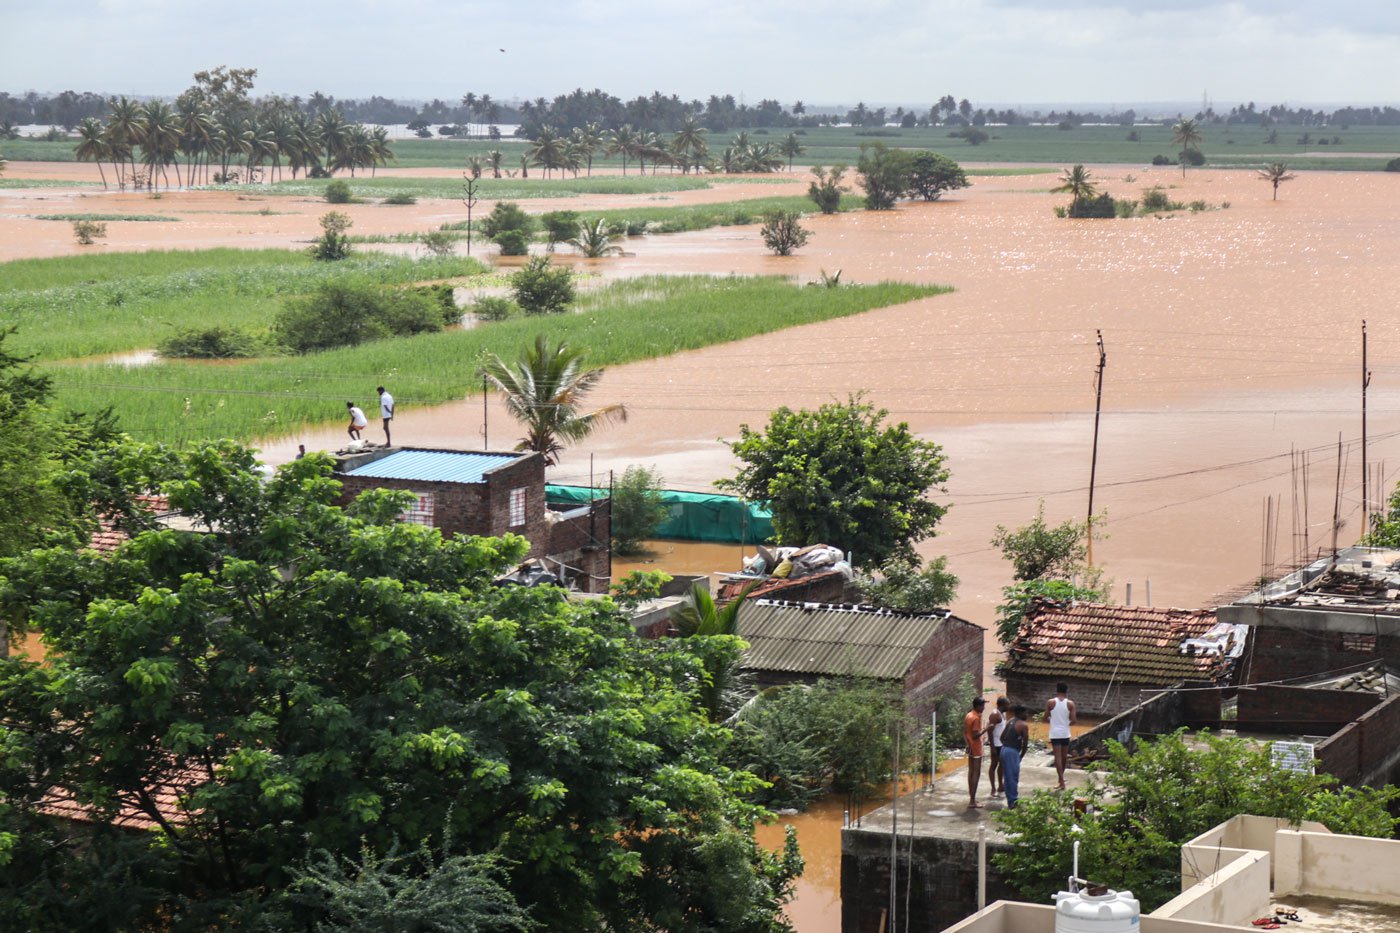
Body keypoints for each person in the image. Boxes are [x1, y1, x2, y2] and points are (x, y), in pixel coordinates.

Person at [1046, 682, 1077, 789]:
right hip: (1065, 733)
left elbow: (1045, 717)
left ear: (1057, 690)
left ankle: (1061, 781)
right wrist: (1066, 723)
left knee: (1057, 758)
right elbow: (1074, 720)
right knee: (1063, 758)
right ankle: (1061, 779)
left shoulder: (1050, 702)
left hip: (1055, 734)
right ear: (1066, 691)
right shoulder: (1070, 704)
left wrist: (1051, 719)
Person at [1001, 705, 1030, 809]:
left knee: (1007, 777)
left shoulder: (1010, 721)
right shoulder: (1023, 725)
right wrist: (1021, 755)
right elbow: (1025, 743)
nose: (1027, 715)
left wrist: (1006, 746)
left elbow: (1001, 737)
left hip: (1004, 750)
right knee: (1013, 777)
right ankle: (1013, 801)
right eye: (1025, 713)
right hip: (1012, 752)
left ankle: (1011, 799)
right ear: (1020, 713)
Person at [964, 697, 986, 809]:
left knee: (971, 772)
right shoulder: (976, 718)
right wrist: (986, 729)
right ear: (978, 706)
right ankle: (972, 800)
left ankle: (972, 798)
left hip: (970, 747)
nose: (984, 708)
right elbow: (975, 735)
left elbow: (966, 732)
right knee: (976, 773)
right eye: (982, 706)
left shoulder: (969, 715)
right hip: (976, 748)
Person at [986, 697, 1009, 798]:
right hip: (996, 744)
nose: (1009, 706)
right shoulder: (995, 714)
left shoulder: (1002, 714)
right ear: (1003, 704)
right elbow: (989, 730)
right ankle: (993, 789)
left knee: (1002, 765)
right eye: (1007, 704)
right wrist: (992, 747)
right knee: (993, 765)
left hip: (1002, 744)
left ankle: (1001, 785)